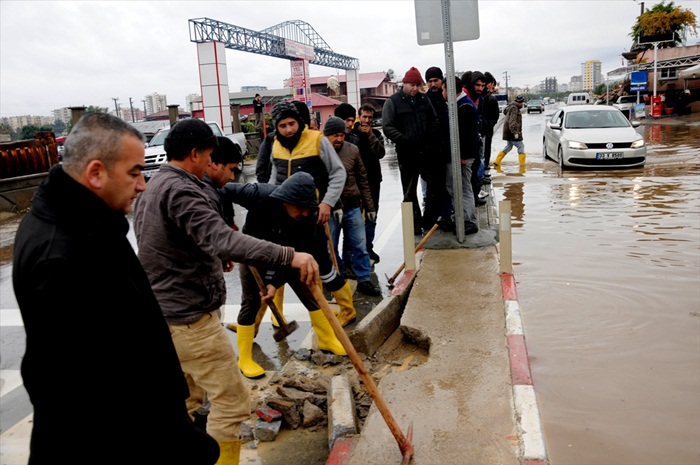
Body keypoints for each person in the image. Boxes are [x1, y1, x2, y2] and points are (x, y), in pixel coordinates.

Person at [12, 113, 220, 465]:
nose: (142, 185)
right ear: (96, 173)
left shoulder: (89, 222)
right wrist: (178, 441)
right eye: (134, 172)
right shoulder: (61, 258)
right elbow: (94, 393)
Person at [132, 118, 320, 465]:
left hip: (165, 314)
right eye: (208, 156)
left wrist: (213, 255)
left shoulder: (155, 186)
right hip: (190, 319)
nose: (212, 164)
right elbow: (224, 238)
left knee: (186, 399)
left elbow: (168, 242)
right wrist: (288, 255)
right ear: (194, 153)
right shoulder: (182, 189)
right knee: (232, 402)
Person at [223, 172, 350, 378]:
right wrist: (227, 220)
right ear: (286, 200)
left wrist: (274, 282)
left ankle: (327, 339)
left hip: (289, 254)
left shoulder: (308, 217)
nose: (304, 212)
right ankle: (244, 358)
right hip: (254, 254)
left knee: (309, 287)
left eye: (308, 208)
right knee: (252, 302)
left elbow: (300, 248)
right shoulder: (259, 195)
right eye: (299, 207)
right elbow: (223, 190)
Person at [256, 101, 357, 333]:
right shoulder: (275, 145)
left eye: (292, 123)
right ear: (276, 127)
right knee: (277, 263)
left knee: (323, 268)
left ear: (300, 123)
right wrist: (268, 205)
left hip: (310, 216)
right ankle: (274, 315)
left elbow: (337, 173)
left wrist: (327, 203)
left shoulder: (317, 140)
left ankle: (348, 310)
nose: (288, 129)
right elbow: (273, 177)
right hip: (282, 217)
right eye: (282, 125)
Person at [323, 116, 381, 296]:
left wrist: (370, 207)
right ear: (326, 136)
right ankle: (335, 281)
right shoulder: (319, 153)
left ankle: (364, 280)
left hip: (353, 206)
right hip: (331, 210)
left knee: (360, 245)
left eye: (341, 135)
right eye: (334, 135)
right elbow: (320, 182)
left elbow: (363, 180)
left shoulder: (353, 150)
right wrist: (331, 205)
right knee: (330, 247)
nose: (339, 139)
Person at [382, 66, 440, 236]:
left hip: (426, 151)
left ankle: (429, 220)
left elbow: (434, 119)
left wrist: (430, 138)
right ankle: (414, 224)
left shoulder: (424, 99)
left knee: (434, 186)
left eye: (417, 85)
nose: (415, 88)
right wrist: (404, 139)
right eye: (411, 85)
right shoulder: (392, 102)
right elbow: (387, 127)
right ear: (404, 84)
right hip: (406, 153)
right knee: (409, 191)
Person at [442, 76, 479, 235]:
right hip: (456, 156)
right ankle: (460, 218)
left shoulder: (464, 106)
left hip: (462, 157)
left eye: (444, 89)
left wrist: (463, 156)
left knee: (463, 188)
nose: (442, 92)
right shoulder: (457, 104)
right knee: (455, 188)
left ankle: (468, 221)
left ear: (448, 89)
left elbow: (467, 134)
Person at [349, 104, 385, 264]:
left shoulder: (376, 134)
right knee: (355, 217)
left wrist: (371, 136)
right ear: (359, 117)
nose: (367, 120)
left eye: (370, 117)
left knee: (372, 215)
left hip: (373, 180)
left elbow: (380, 153)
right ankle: (356, 250)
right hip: (356, 182)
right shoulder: (352, 135)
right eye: (364, 117)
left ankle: (368, 247)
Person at [203, 136, 243, 230]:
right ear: (215, 164)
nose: (232, 177)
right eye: (231, 170)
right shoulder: (206, 195)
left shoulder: (214, 189)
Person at [461, 71, 488, 207]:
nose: (480, 88)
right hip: (466, 144)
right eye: (477, 85)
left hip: (474, 140)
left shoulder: (478, 98)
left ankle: (474, 197)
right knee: (469, 174)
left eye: (482, 85)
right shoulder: (465, 97)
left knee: (475, 169)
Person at [494, 95, 526, 168]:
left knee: (508, 147)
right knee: (521, 146)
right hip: (512, 132)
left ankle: (497, 162)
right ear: (519, 102)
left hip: (508, 132)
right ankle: (522, 166)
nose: (522, 104)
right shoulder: (514, 108)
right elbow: (512, 121)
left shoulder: (511, 107)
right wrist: (515, 133)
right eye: (522, 103)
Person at [480, 72, 500, 185]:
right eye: (492, 86)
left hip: (486, 128)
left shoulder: (489, 98)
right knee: (483, 151)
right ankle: (483, 172)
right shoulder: (486, 98)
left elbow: (495, 116)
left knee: (485, 151)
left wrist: (489, 124)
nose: (492, 89)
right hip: (484, 129)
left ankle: (483, 171)